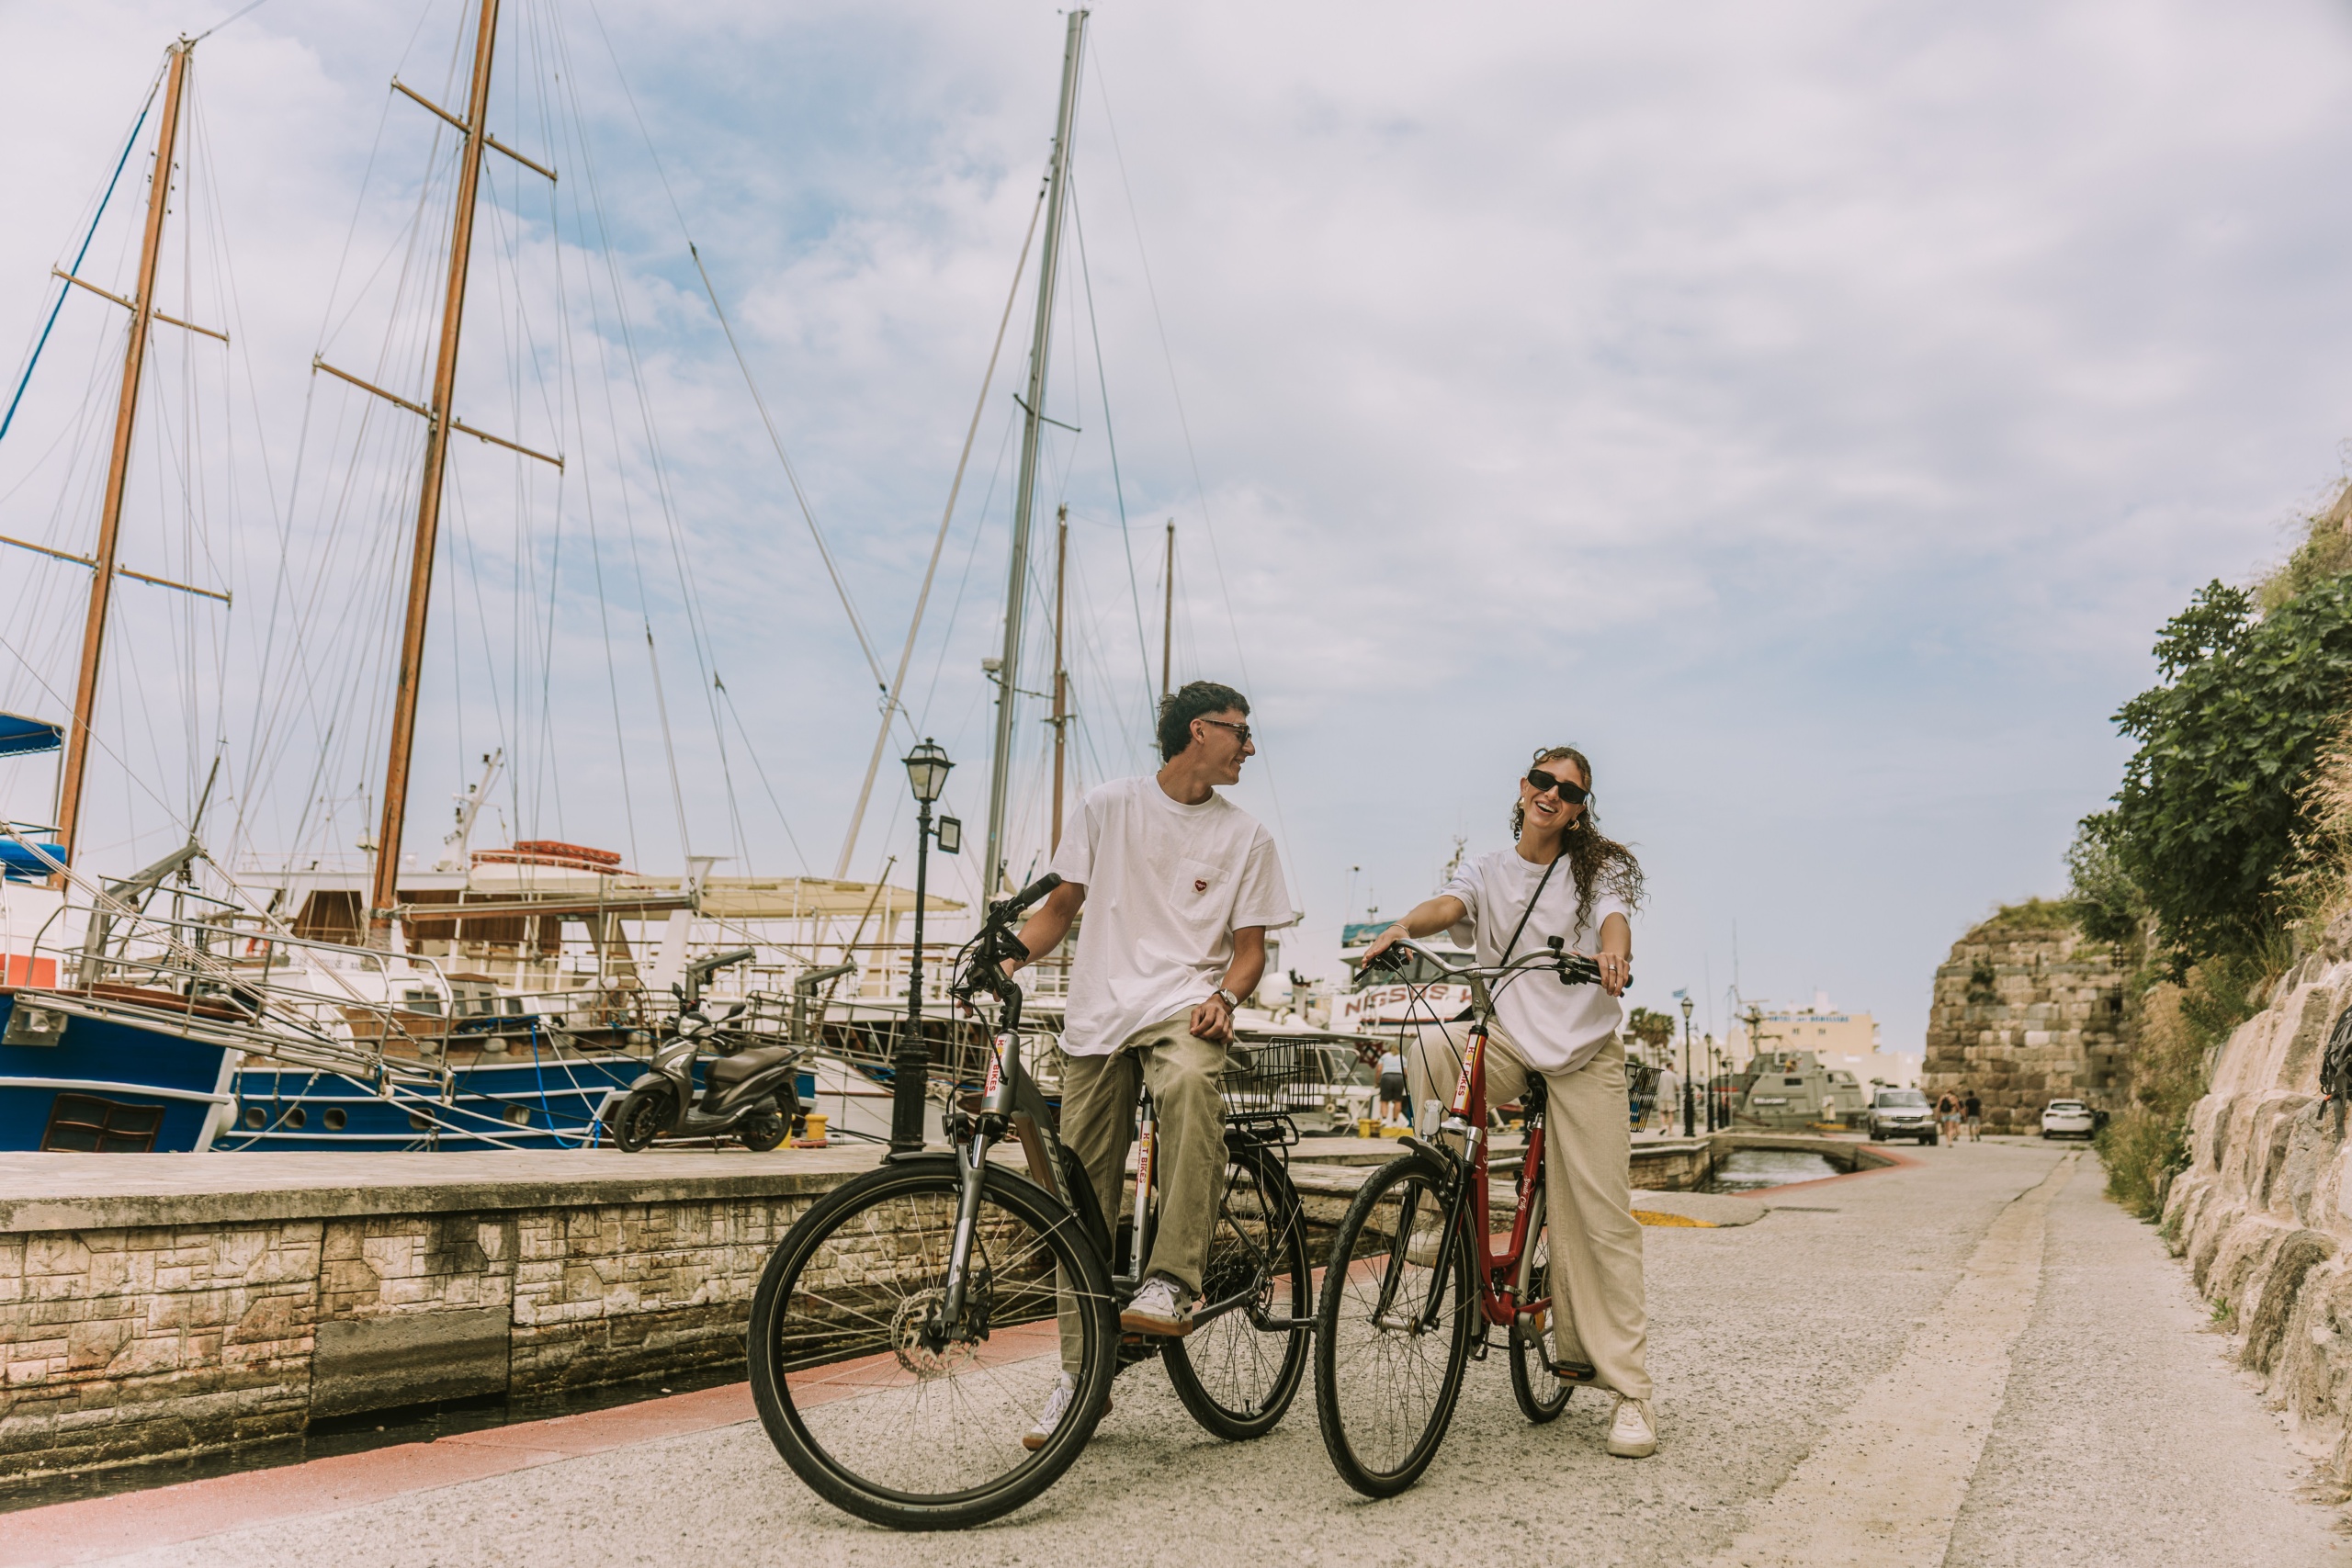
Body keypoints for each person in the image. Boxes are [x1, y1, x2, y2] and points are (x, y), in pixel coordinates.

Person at [1002, 681, 1292, 1450]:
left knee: (1193, 1082)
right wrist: (1008, 957)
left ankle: (1172, 1278)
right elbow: (1059, 909)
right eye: (1241, 731)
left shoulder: (1248, 837)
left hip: (1183, 1004)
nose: (1250, 746)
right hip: (1100, 1013)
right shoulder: (1109, 806)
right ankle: (1080, 1377)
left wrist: (1226, 997)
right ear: (1199, 731)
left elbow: (1251, 951)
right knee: (1075, 1194)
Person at [1363, 744, 1656, 1460]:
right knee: (1433, 1046)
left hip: (1584, 1051)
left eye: (1570, 791)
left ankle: (1631, 1392)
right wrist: (1404, 926)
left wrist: (1613, 954)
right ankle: (1444, 1198)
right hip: (1512, 1040)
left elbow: (1613, 917)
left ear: (1580, 810)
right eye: (1544, 781)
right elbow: (1449, 905)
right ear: (1524, 787)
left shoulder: (1597, 870)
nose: (1553, 794)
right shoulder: (1489, 867)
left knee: (1604, 1216)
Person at [1376, 1042, 1408, 1126]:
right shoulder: (1402, 1058)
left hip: (1386, 1077)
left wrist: (1377, 1081)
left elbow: (1379, 1069)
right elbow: (1406, 1072)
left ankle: (1384, 1120)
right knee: (1398, 1100)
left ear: (1389, 1050)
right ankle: (1395, 1122)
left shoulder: (1384, 1056)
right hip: (1399, 1078)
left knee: (1384, 1100)